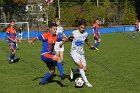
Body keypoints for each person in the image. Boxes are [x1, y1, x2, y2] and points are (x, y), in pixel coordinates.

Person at [65, 21, 93, 87]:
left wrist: (90, 46)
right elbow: (69, 39)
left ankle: (74, 70)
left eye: (84, 28)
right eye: (81, 27)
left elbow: (86, 41)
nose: (82, 29)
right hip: (74, 52)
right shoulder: (74, 33)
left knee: (84, 69)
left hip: (82, 53)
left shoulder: (86, 34)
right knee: (81, 66)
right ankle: (86, 82)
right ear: (79, 26)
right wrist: (62, 42)